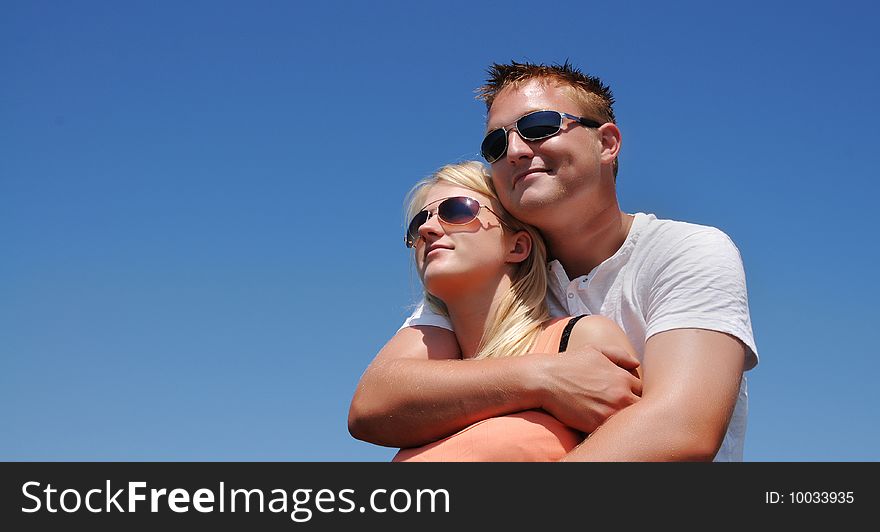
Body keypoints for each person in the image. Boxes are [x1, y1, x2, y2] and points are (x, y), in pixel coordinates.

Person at [349, 60, 758, 461]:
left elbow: (680, 427)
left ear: (607, 143)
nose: (513, 150)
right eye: (495, 144)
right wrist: (542, 376)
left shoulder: (684, 250)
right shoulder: (494, 276)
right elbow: (374, 404)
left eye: (539, 126)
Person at [379, 161, 639, 461]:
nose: (426, 228)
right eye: (418, 222)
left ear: (517, 247)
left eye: (457, 210)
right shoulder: (421, 391)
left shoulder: (580, 341)